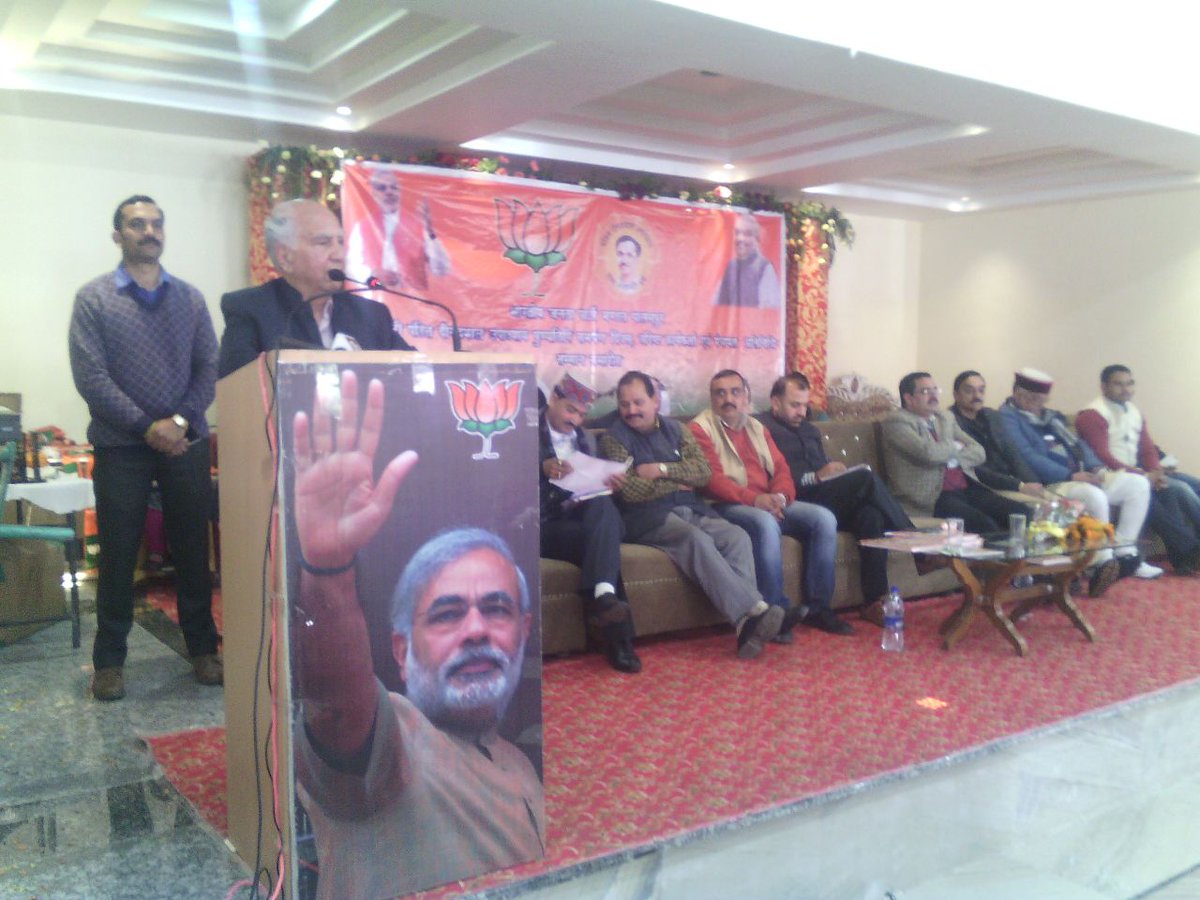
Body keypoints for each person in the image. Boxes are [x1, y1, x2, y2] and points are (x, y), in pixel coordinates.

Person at [289, 370, 543, 899]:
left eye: (496, 609)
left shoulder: (520, 764)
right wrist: (328, 569)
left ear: (523, 631)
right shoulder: (393, 741)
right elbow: (337, 707)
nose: (476, 629)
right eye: (447, 614)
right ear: (401, 651)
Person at [68, 195, 222, 701]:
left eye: (156, 223)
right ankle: (109, 662)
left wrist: (178, 422)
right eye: (137, 224)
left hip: (184, 442)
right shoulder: (93, 299)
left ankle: (203, 649)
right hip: (120, 445)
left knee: (192, 549)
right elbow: (91, 377)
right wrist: (146, 426)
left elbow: (208, 366)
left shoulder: (190, 299)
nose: (149, 231)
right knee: (117, 552)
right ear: (118, 235)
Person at [598, 371, 784, 658]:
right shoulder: (613, 439)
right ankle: (753, 610)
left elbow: (702, 473)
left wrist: (661, 470)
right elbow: (630, 491)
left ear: (655, 401)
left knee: (736, 536)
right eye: (625, 404)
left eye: (638, 402)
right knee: (694, 538)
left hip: (691, 508)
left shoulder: (677, 430)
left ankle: (745, 624)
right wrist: (677, 481)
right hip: (646, 517)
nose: (631, 410)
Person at [690, 370, 852, 638]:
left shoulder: (757, 427)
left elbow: (781, 468)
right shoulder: (700, 429)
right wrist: (755, 500)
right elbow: (711, 481)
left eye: (735, 392)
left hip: (767, 500)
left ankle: (819, 608)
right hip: (724, 504)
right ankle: (775, 612)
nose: (728, 399)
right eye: (720, 393)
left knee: (824, 519)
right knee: (765, 522)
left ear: (746, 396)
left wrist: (781, 497)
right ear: (712, 398)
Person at [756, 372, 916, 626]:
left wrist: (834, 469)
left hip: (824, 495)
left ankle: (873, 601)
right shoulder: (761, 428)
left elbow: (821, 464)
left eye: (805, 405)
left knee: (871, 516)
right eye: (794, 405)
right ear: (775, 402)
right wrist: (816, 476)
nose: (801, 412)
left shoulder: (809, 430)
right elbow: (769, 474)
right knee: (865, 478)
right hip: (794, 498)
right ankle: (914, 540)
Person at [998, 367, 1162, 585]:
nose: (1036, 404)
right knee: (1094, 495)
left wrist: (1096, 468)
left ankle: (1125, 552)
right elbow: (1026, 455)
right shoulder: (1006, 418)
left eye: (1040, 399)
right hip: (1053, 481)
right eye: (1031, 398)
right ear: (1017, 392)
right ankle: (1101, 562)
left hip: (1081, 474)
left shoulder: (1051, 417)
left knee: (1138, 484)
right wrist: (1071, 474)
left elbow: (1080, 444)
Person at [218, 199, 415, 378]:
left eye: (340, 242)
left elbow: (414, 372)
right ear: (285, 257)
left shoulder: (372, 315)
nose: (339, 255)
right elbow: (238, 391)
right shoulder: (251, 310)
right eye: (323, 243)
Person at [539, 374, 640, 672]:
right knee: (603, 540)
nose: (575, 420)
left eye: (582, 415)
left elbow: (590, 484)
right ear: (553, 399)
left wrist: (609, 483)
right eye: (570, 410)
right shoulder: (524, 433)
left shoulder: (586, 440)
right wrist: (540, 468)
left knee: (602, 513)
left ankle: (604, 598)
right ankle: (619, 639)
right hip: (540, 525)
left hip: (577, 521)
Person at [1075, 365, 1200, 575]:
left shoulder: (1134, 411)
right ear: (1104, 386)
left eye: (1129, 383)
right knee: (1179, 489)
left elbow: (1147, 449)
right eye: (1118, 384)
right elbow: (1103, 456)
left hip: (1140, 473)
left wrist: (1156, 472)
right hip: (1112, 476)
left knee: (1187, 485)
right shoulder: (1092, 415)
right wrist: (1144, 475)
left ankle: (1185, 557)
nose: (1126, 389)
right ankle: (1187, 553)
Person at [881, 372, 1031, 535]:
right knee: (984, 524)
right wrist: (955, 446)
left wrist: (951, 458)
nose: (933, 396)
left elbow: (978, 451)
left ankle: (1019, 552)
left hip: (967, 487)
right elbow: (929, 453)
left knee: (1022, 513)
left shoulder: (944, 418)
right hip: (934, 496)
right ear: (908, 398)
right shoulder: (897, 422)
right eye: (925, 391)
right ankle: (993, 553)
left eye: (935, 390)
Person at [344, 164, 451, 292]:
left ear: (400, 192)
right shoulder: (362, 227)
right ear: (373, 193)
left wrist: (430, 231)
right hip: (376, 300)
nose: (389, 192)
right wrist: (374, 277)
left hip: (413, 300)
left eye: (394, 187)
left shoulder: (418, 225)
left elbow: (441, 270)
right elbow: (352, 269)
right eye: (382, 188)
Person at [950, 371, 1045, 497]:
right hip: (983, 487)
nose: (977, 396)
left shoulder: (992, 416)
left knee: (1055, 501)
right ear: (956, 395)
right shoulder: (949, 423)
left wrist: (1033, 483)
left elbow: (1013, 454)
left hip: (1012, 481)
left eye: (981, 390)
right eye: (969, 391)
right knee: (1040, 505)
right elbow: (974, 468)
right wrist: (1019, 486)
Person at [712, 212, 780, 308]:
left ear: (756, 240)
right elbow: (716, 303)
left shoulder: (764, 268)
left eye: (747, 234)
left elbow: (769, 309)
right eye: (737, 233)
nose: (740, 238)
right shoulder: (730, 266)